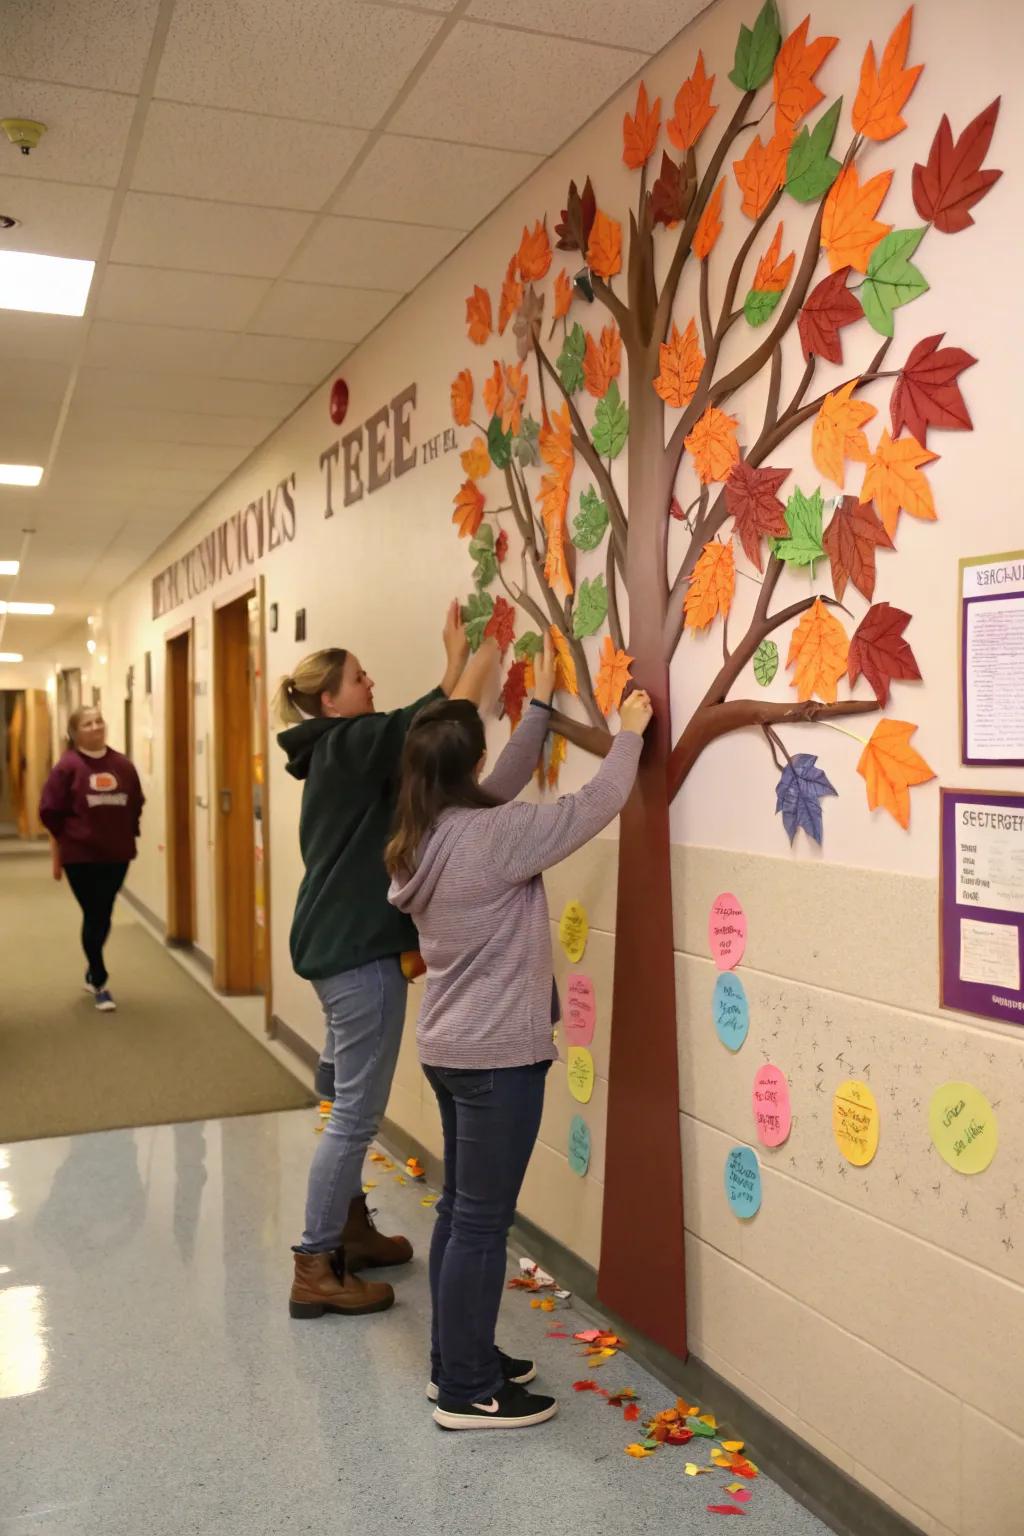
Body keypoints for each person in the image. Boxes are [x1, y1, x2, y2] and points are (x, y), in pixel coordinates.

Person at [386, 637, 652, 1430]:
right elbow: (592, 804)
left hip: (448, 1049)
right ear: (467, 767)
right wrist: (630, 729)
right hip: (500, 1057)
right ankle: (468, 1391)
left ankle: (455, 1364)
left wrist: (537, 710)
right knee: (480, 1222)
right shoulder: (493, 837)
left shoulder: (422, 834)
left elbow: (497, 787)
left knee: (461, 1214)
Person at [276, 603, 495, 1321]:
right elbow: (436, 725)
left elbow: (420, 725)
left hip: (333, 945)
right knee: (355, 1117)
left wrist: (453, 665)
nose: (370, 683)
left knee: (341, 1086)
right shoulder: (348, 744)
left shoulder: (338, 749)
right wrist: (469, 651)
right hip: (355, 955)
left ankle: (350, 1228)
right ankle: (316, 1264)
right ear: (329, 700)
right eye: (358, 677)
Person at [39, 705, 145, 1014]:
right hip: (80, 856)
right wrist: (68, 836)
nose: (96, 726)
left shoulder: (122, 765)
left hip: (117, 852)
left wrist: (129, 831)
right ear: (75, 733)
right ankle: (99, 980)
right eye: (88, 723)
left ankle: (91, 970)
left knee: (103, 912)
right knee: (94, 912)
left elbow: (135, 802)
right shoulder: (67, 767)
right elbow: (49, 810)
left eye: (99, 720)